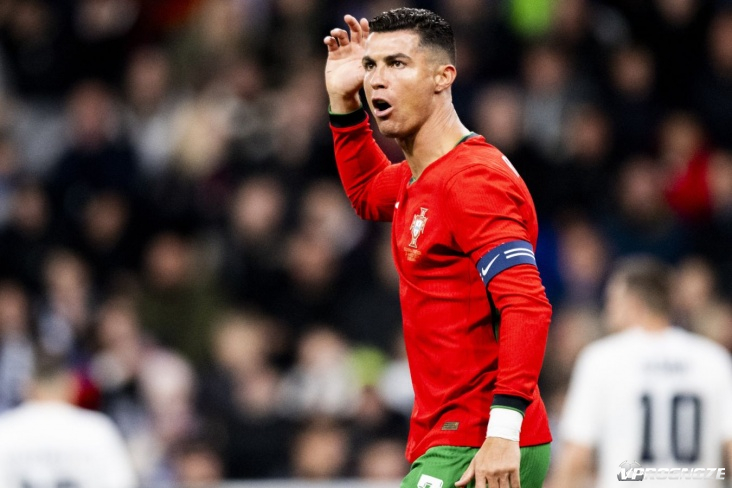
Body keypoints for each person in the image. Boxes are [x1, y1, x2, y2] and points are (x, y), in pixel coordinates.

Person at [323, 8, 553, 488]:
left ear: (442, 77)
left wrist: (502, 434)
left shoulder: (472, 181)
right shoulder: (423, 175)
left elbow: (527, 304)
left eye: (397, 63)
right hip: (454, 436)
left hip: (476, 442)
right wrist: (343, 102)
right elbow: (366, 191)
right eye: (371, 65)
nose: (377, 80)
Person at [549, 257, 732, 488]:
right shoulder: (713, 358)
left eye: (612, 300)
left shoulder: (601, 358)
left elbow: (576, 456)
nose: (607, 310)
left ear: (633, 303)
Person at [0, 355, 138, 488]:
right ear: (72, 386)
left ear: (27, 387)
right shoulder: (97, 429)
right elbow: (122, 483)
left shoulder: (6, 429)